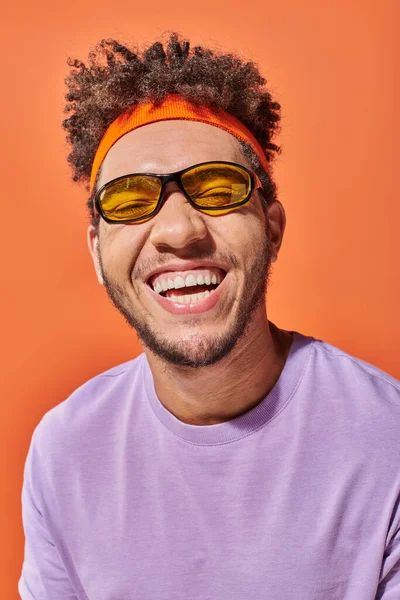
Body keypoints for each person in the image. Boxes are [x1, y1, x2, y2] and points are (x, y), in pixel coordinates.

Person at [18, 33, 400, 600]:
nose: (179, 231)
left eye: (218, 189)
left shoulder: (387, 440)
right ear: (98, 252)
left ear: (272, 228)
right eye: (129, 199)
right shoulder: (64, 452)